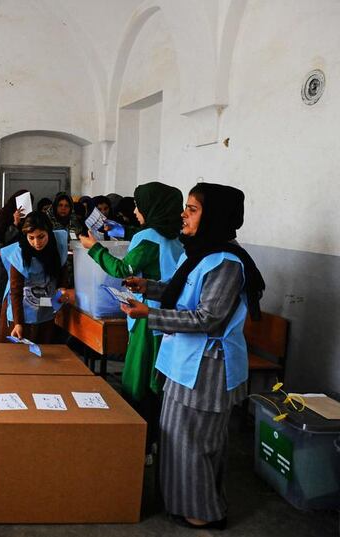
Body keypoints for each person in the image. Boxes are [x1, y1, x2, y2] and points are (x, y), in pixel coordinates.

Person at [121, 183, 265, 530]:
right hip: (183, 362)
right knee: (174, 436)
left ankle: (205, 511)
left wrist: (148, 315)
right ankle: (181, 502)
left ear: (213, 216)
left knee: (195, 443)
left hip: (207, 369)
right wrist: (148, 288)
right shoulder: (198, 252)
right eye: (185, 206)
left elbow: (206, 318)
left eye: (193, 208)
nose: (183, 214)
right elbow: (179, 290)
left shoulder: (226, 263)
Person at [79, 182, 184, 461]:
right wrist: (122, 231)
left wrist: (93, 247)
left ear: (153, 208)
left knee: (139, 379)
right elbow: (152, 243)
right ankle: (160, 440)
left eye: (140, 206)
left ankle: (142, 443)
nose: (135, 210)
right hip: (173, 318)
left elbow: (122, 269)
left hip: (147, 317)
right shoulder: (177, 235)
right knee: (160, 379)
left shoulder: (149, 237)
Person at [0, 211, 71, 344]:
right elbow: (16, 291)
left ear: (49, 232)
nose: (37, 242)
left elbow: (62, 272)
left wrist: (62, 288)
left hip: (46, 304)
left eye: (41, 237)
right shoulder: (19, 254)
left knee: (45, 351)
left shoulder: (58, 247)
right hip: (20, 307)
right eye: (31, 238)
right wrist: (18, 323)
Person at [0, 190, 31, 340]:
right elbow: (1, 239)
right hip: (1, 265)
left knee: (14, 300)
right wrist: (15, 223)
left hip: (17, 263)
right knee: (0, 303)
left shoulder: (28, 219)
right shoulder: (2, 215)